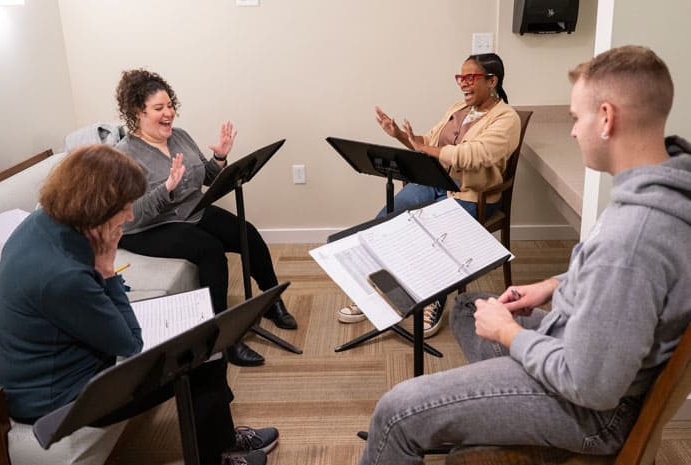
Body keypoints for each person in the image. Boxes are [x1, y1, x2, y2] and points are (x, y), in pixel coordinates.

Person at [357, 45, 691, 465]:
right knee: (467, 308)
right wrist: (554, 284)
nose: (572, 132)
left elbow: (591, 385)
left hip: (588, 409)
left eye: (576, 118)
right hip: (573, 348)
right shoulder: (664, 196)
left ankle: (478, 411)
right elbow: (628, 288)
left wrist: (511, 334)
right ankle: (483, 407)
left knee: (396, 411)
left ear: (606, 118)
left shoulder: (633, 238)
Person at [0, 146, 278, 465]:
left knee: (206, 341)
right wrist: (107, 267)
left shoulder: (43, 222)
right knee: (197, 359)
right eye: (124, 208)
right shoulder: (62, 276)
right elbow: (129, 343)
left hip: (57, 371)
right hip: (59, 400)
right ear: (95, 207)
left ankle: (223, 441)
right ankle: (217, 458)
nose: (129, 216)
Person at [115, 68, 297, 367]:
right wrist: (167, 189)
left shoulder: (180, 137)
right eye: (158, 108)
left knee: (246, 231)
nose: (168, 114)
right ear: (138, 111)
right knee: (210, 251)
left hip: (191, 212)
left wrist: (220, 159)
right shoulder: (125, 155)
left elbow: (206, 178)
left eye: (170, 105)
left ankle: (271, 301)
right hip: (149, 228)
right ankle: (224, 339)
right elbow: (131, 215)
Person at [338, 53, 521, 338]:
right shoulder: (458, 108)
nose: (463, 84)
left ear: (492, 80)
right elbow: (427, 143)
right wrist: (398, 134)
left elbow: (476, 155)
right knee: (386, 218)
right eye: (460, 78)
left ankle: (433, 298)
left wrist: (430, 151)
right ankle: (373, 291)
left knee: (433, 235)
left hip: (473, 194)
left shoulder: (507, 118)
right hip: (437, 182)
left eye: (470, 78)